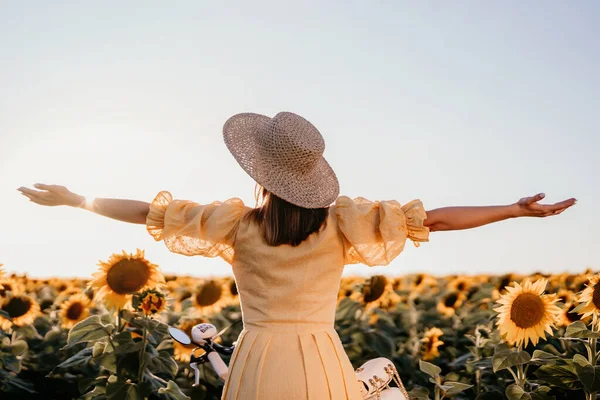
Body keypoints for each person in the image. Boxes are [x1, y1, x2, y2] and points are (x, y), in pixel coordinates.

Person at [18, 112, 576, 400]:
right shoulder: (342, 225)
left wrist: (76, 200)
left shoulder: (235, 225)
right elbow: (437, 219)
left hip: (258, 355)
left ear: (260, 174)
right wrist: (512, 211)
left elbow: (146, 212)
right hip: (321, 355)